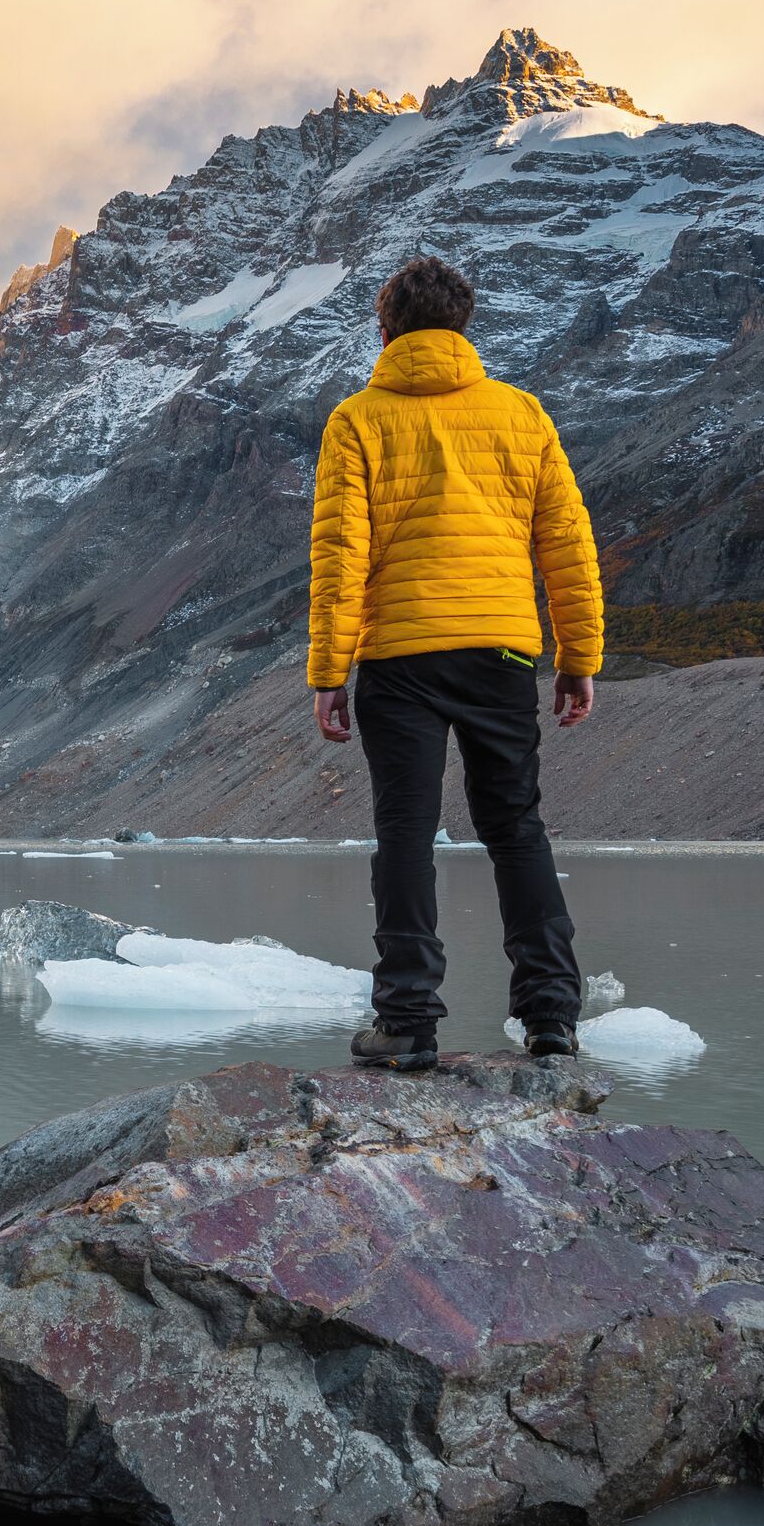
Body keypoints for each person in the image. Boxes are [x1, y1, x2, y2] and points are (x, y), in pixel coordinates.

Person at [306, 251, 603, 1072]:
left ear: (385, 327)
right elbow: (567, 547)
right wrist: (578, 657)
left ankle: (407, 1023)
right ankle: (551, 1019)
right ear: (464, 326)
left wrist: (330, 673)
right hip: (501, 651)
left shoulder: (358, 419)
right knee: (516, 827)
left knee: (404, 830)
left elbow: (341, 557)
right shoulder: (522, 415)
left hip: (399, 656)